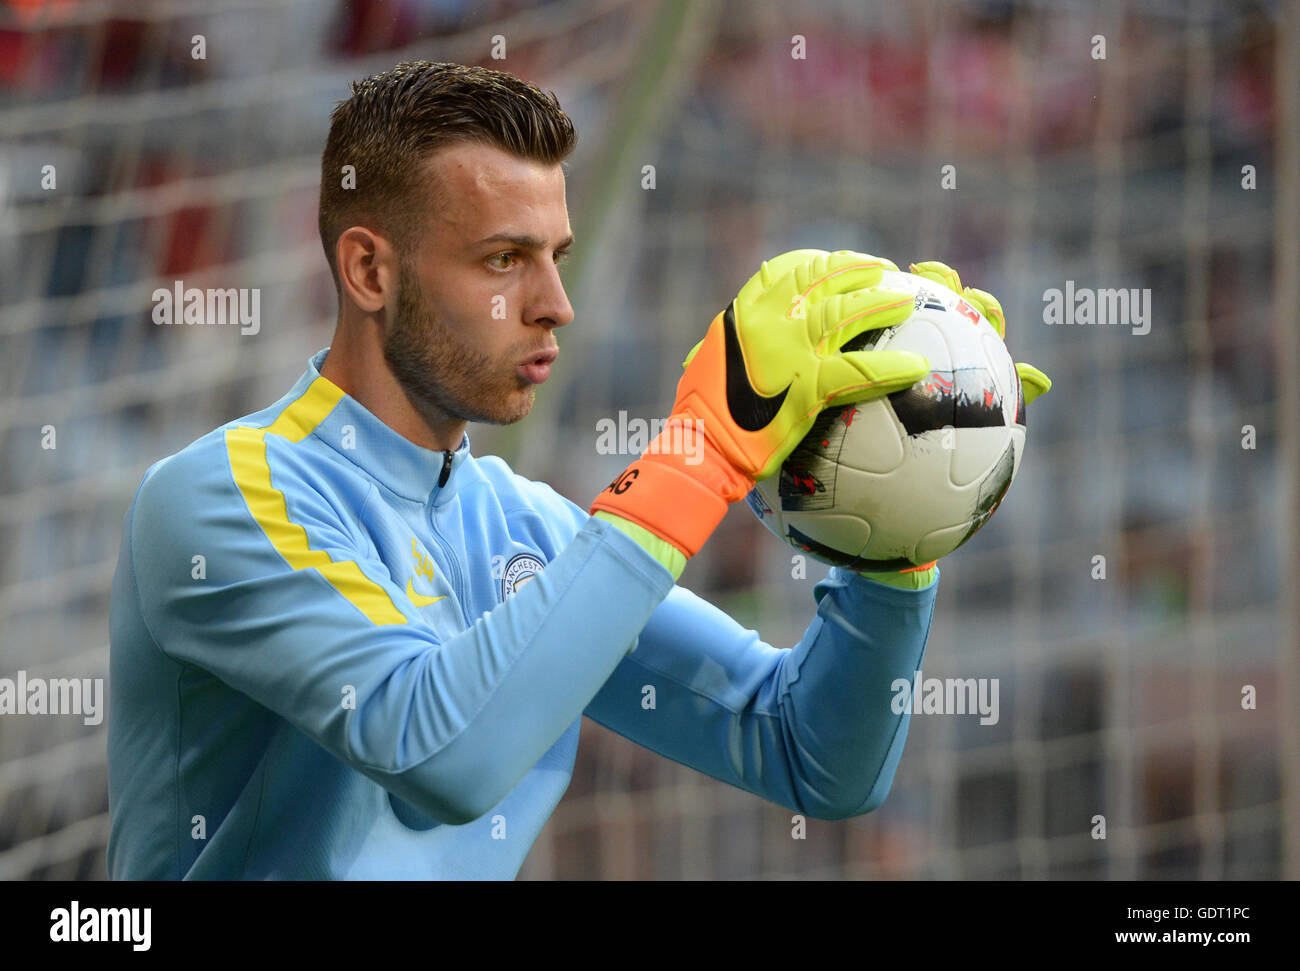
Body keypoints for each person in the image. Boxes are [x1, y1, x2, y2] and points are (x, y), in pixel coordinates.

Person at [106, 60, 1049, 879]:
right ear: (368, 272)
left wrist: (900, 531)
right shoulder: (219, 498)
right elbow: (443, 754)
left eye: (556, 257)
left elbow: (812, 756)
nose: (556, 302)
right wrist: (701, 453)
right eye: (504, 259)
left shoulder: (527, 526)